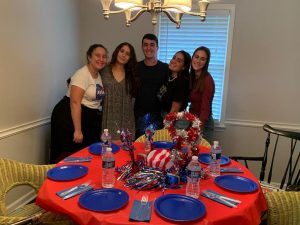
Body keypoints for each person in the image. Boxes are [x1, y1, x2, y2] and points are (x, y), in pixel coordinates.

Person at [50, 44, 108, 163]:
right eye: (97, 55)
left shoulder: (98, 75)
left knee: (84, 155)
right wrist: (78, 130)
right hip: (69, 118)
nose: (101, 59)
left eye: (104, 57)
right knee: (69, 156)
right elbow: (75, 102)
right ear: (89, 57)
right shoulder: (82, 74)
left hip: (87, 117)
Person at [134, 33, 169, 139]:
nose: (148, 48)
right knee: (140, 148)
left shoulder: (165, 68)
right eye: (145, 45)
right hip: (139, 116)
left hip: (159, 117)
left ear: (157, 47)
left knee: (156, 149)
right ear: (142, 47)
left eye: (152, 45)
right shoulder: (135, 67)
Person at [101, 42, 138, 140]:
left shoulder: (132, 74)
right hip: (107, 117)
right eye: (122, 51)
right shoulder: (104, 69)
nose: (124, 55)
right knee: (107, 151)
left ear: (130, 58)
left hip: (126, 119)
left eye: (127, 54)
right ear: (117, 51)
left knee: (125, 151)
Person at [189, 46, 215, 143]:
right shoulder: (192, 77)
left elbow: (205, 110)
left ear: (206, 62)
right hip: (193, 120)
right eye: (196, 57)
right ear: (192, 58)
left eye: (202, 59)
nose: (198, 61)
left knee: (201, 156)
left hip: (204, 123)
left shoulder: (207, 80)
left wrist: (196, 130)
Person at [158, 50, 191, 117]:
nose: (173, 61)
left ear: (184, 67)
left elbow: (174, 111)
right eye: (174, 58)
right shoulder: (169, 78)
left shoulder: (181, 82)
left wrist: (166, 125)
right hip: (165, 115)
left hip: (175, 121)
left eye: (178, 61)